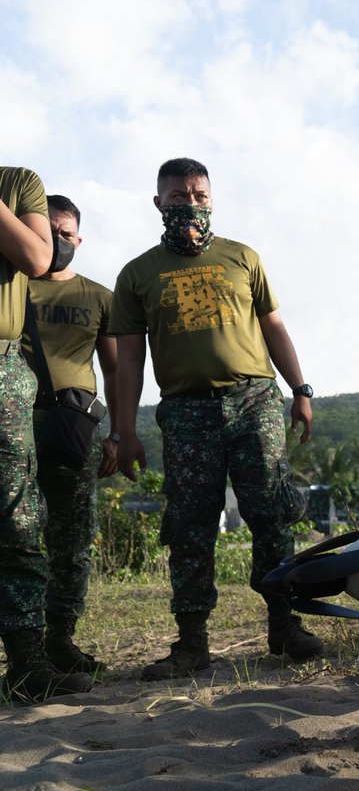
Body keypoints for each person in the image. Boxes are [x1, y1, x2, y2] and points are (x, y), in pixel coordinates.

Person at [109, 157, 322, 679]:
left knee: (272, 513)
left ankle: (284, 623)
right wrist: (125, 429)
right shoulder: (137, 274)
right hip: (185, 411)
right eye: (178, 196)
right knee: (190, 524)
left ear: (212, 199)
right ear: (158, 202)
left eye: (199, 195)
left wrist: (301, 389)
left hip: (254, 401)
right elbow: (129, 358)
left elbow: (274, 327)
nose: (190, 204)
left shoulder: (243, 257)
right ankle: (191, 643)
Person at [0, 167, 93, 701]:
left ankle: (26, 664)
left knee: (17, 518)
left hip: (5, 371)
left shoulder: (19, 183)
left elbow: (36, 258)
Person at [28, 195, 120, 674]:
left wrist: (119, 434)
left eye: (66, 234)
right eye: (50, 232)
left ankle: (60, 639)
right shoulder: (12, 290)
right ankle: (24, 645)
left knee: (72, 540)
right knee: (15, 537)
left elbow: (116, 369)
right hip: (16, 427)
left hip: (74, 432)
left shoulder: (99, 296)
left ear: (78, 239)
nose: (58, 241)